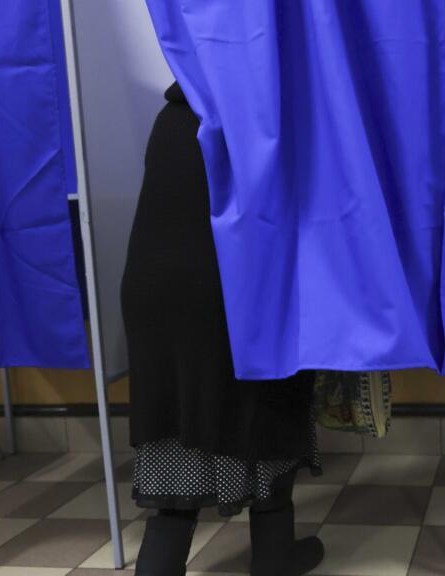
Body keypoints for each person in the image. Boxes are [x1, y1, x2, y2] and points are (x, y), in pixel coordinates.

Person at [121, 83, 324, 576]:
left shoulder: (171, 116)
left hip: (154, 295)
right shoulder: (258, 116)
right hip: (226, 291)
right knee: (268, 412)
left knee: (177, 439)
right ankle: (275, 558)